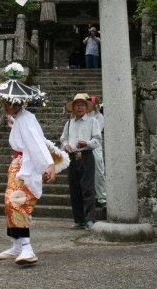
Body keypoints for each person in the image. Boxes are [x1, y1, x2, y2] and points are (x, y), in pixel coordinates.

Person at [0, 62, 56, 265]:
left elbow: (37, 143)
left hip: (26, 164)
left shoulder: (27, 118)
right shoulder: (21, 119)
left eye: (11, 103)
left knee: (17, 202)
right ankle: (16, 245)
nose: (7, 106)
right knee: (10, 203)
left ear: (19, 103)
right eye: (5, 102)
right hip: (18, 163)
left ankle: (27, 247)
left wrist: (48, 164)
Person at [60, 93, 101, 230]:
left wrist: (87, 143)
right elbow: (63, 139)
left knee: (88, 189)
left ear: (86, 107)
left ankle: (90, 219)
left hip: (86, 155)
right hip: (72, 157)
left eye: (82, 105)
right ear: (73, 107)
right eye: (77, 105)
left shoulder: (92, 121)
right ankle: (79, 220)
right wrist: (65, 145)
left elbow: (97, 140)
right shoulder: (69, 122)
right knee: (74, 189)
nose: (79, 108)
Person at [87, 95, 106, 207]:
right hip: (82, 146)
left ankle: (102, 196)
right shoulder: (83, 116)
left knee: (99, 170)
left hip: (95, 145)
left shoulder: (99, 117)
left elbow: (97, 132)